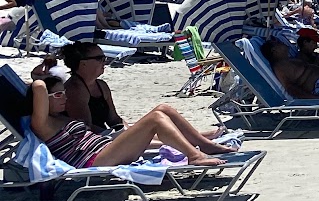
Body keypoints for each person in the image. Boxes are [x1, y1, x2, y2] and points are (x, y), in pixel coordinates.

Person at [28, 66, 235, 167]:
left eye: (64, 93)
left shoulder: (62, 118)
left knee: (164, 108)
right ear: (43, 100)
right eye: (57, 95)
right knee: (155, 119)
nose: (64, 97)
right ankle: (195, 156)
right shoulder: (43, 124)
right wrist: (40, 77)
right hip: (96, 160)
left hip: (107, 148)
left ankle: (203, 145)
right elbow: (38, 86)